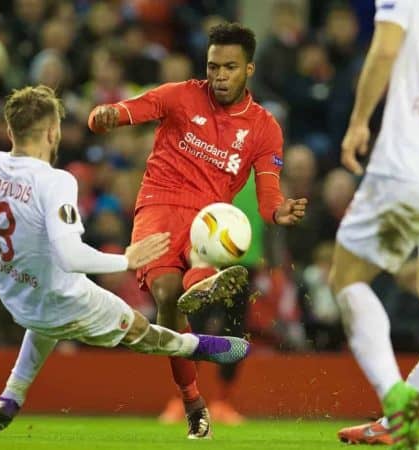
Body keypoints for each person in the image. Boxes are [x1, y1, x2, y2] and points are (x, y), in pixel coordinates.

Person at [0, 85, 251, 435]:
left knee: (44, 318)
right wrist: (126, 260)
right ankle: (202, 346)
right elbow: (71, 257)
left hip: (15, 295)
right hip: (66, 298)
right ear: (53, 132)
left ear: (10, 131)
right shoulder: (55, 181)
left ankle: (11, 397)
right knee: (141, 332)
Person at [88, 22, 307, 438]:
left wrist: (279, 213)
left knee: (189, 279)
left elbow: (267, 197)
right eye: (213, 67)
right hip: (157, 206)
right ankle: (192, 397)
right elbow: (132, 109)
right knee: (168, 299)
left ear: (249, 70)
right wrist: (107, 116)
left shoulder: (264, 128)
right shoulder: (181, 95)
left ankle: (203, 276)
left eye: (229, 67)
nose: (219, 76)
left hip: (209, 219)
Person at [328, 1, 419, 448]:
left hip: (407, 169)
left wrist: (357, 123)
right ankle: (405, 412)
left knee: (347, 279)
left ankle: (394, 397)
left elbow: (386, 50)